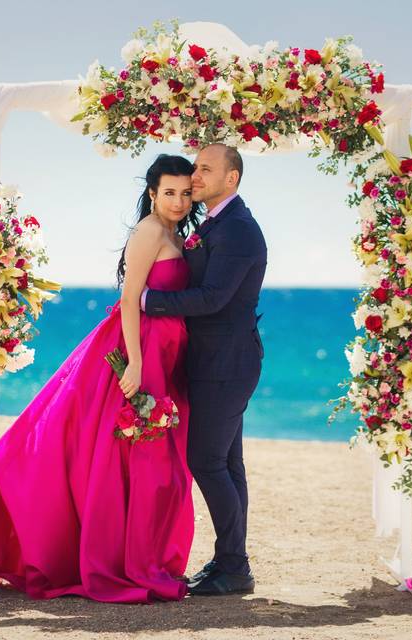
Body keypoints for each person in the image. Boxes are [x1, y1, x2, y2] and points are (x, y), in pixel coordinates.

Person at [0, 154, 200, 603]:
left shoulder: (174, 232)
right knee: (127, 458)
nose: (178, 201)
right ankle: (121, 560)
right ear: (151, 193)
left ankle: (142, 556)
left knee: (147, 461)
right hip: (137, 352)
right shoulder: (148, 232)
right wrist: (137, 365)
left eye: (184, 192)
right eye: (169, 192)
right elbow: (129, 302)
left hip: (165, 353)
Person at [142, 143, 267, 596]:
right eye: (195, 167)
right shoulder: (215, 222)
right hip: (217, 360)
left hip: (226, 363)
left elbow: (212, 297)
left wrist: (147, 301)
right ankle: (230, 562)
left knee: (206, 462)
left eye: (205, 169)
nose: (195, 176)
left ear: (230, 178)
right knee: (228, 464)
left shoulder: (237, 229)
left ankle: (235, 565)